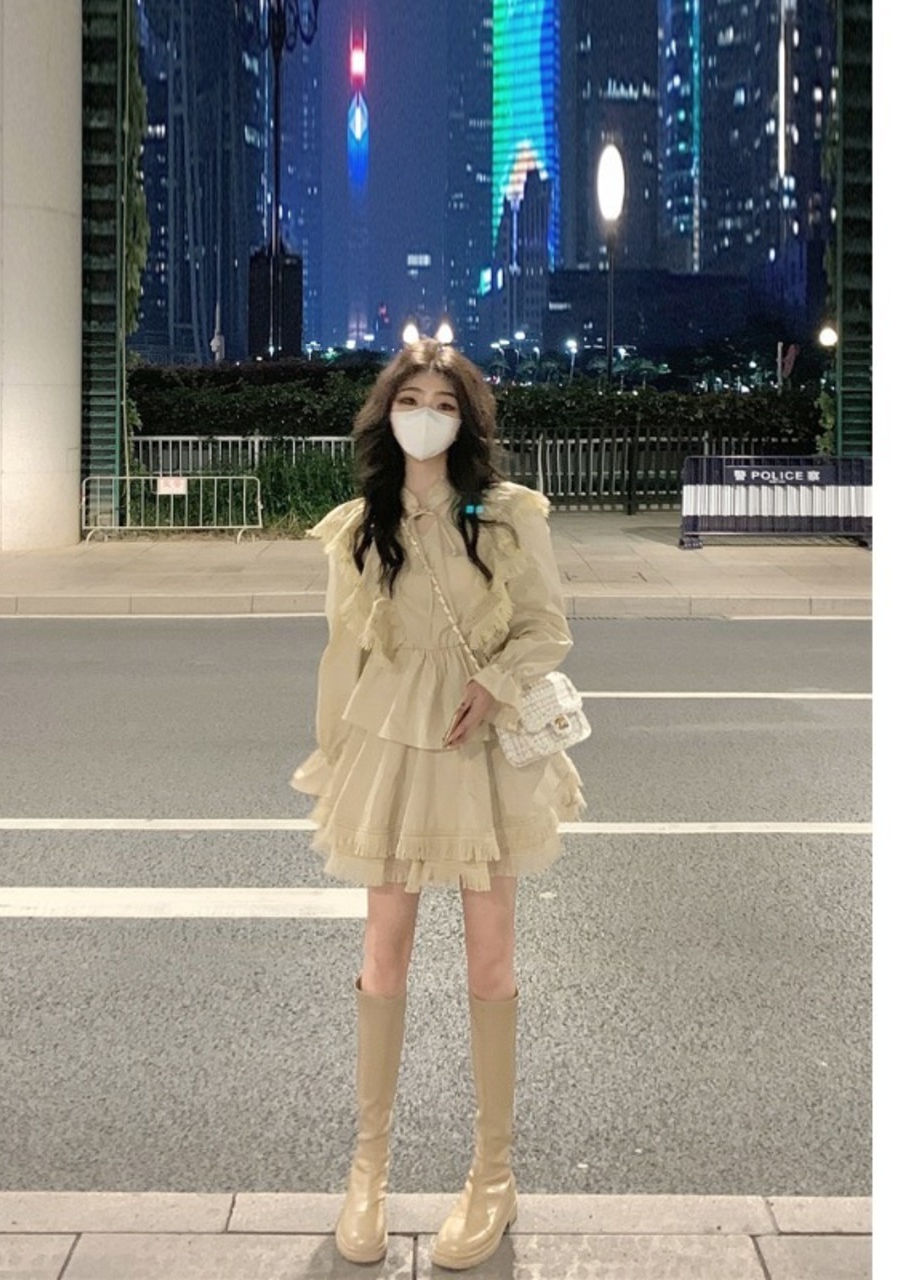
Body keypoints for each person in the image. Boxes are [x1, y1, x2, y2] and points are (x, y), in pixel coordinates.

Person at [291, 338, 586, 1270]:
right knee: (383, 957)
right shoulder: (359, 526)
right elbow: (343, 651)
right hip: (390, 744)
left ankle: (493, 1176)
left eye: (446, 403)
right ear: (388, 415)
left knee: (490, 957)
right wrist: (336, 754)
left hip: (480, 745)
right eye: (412, 399)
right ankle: (367, 1174)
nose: (428, 415)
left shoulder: (506, 515)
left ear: (469, 420)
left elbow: (547, 626)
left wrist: (496, 684)